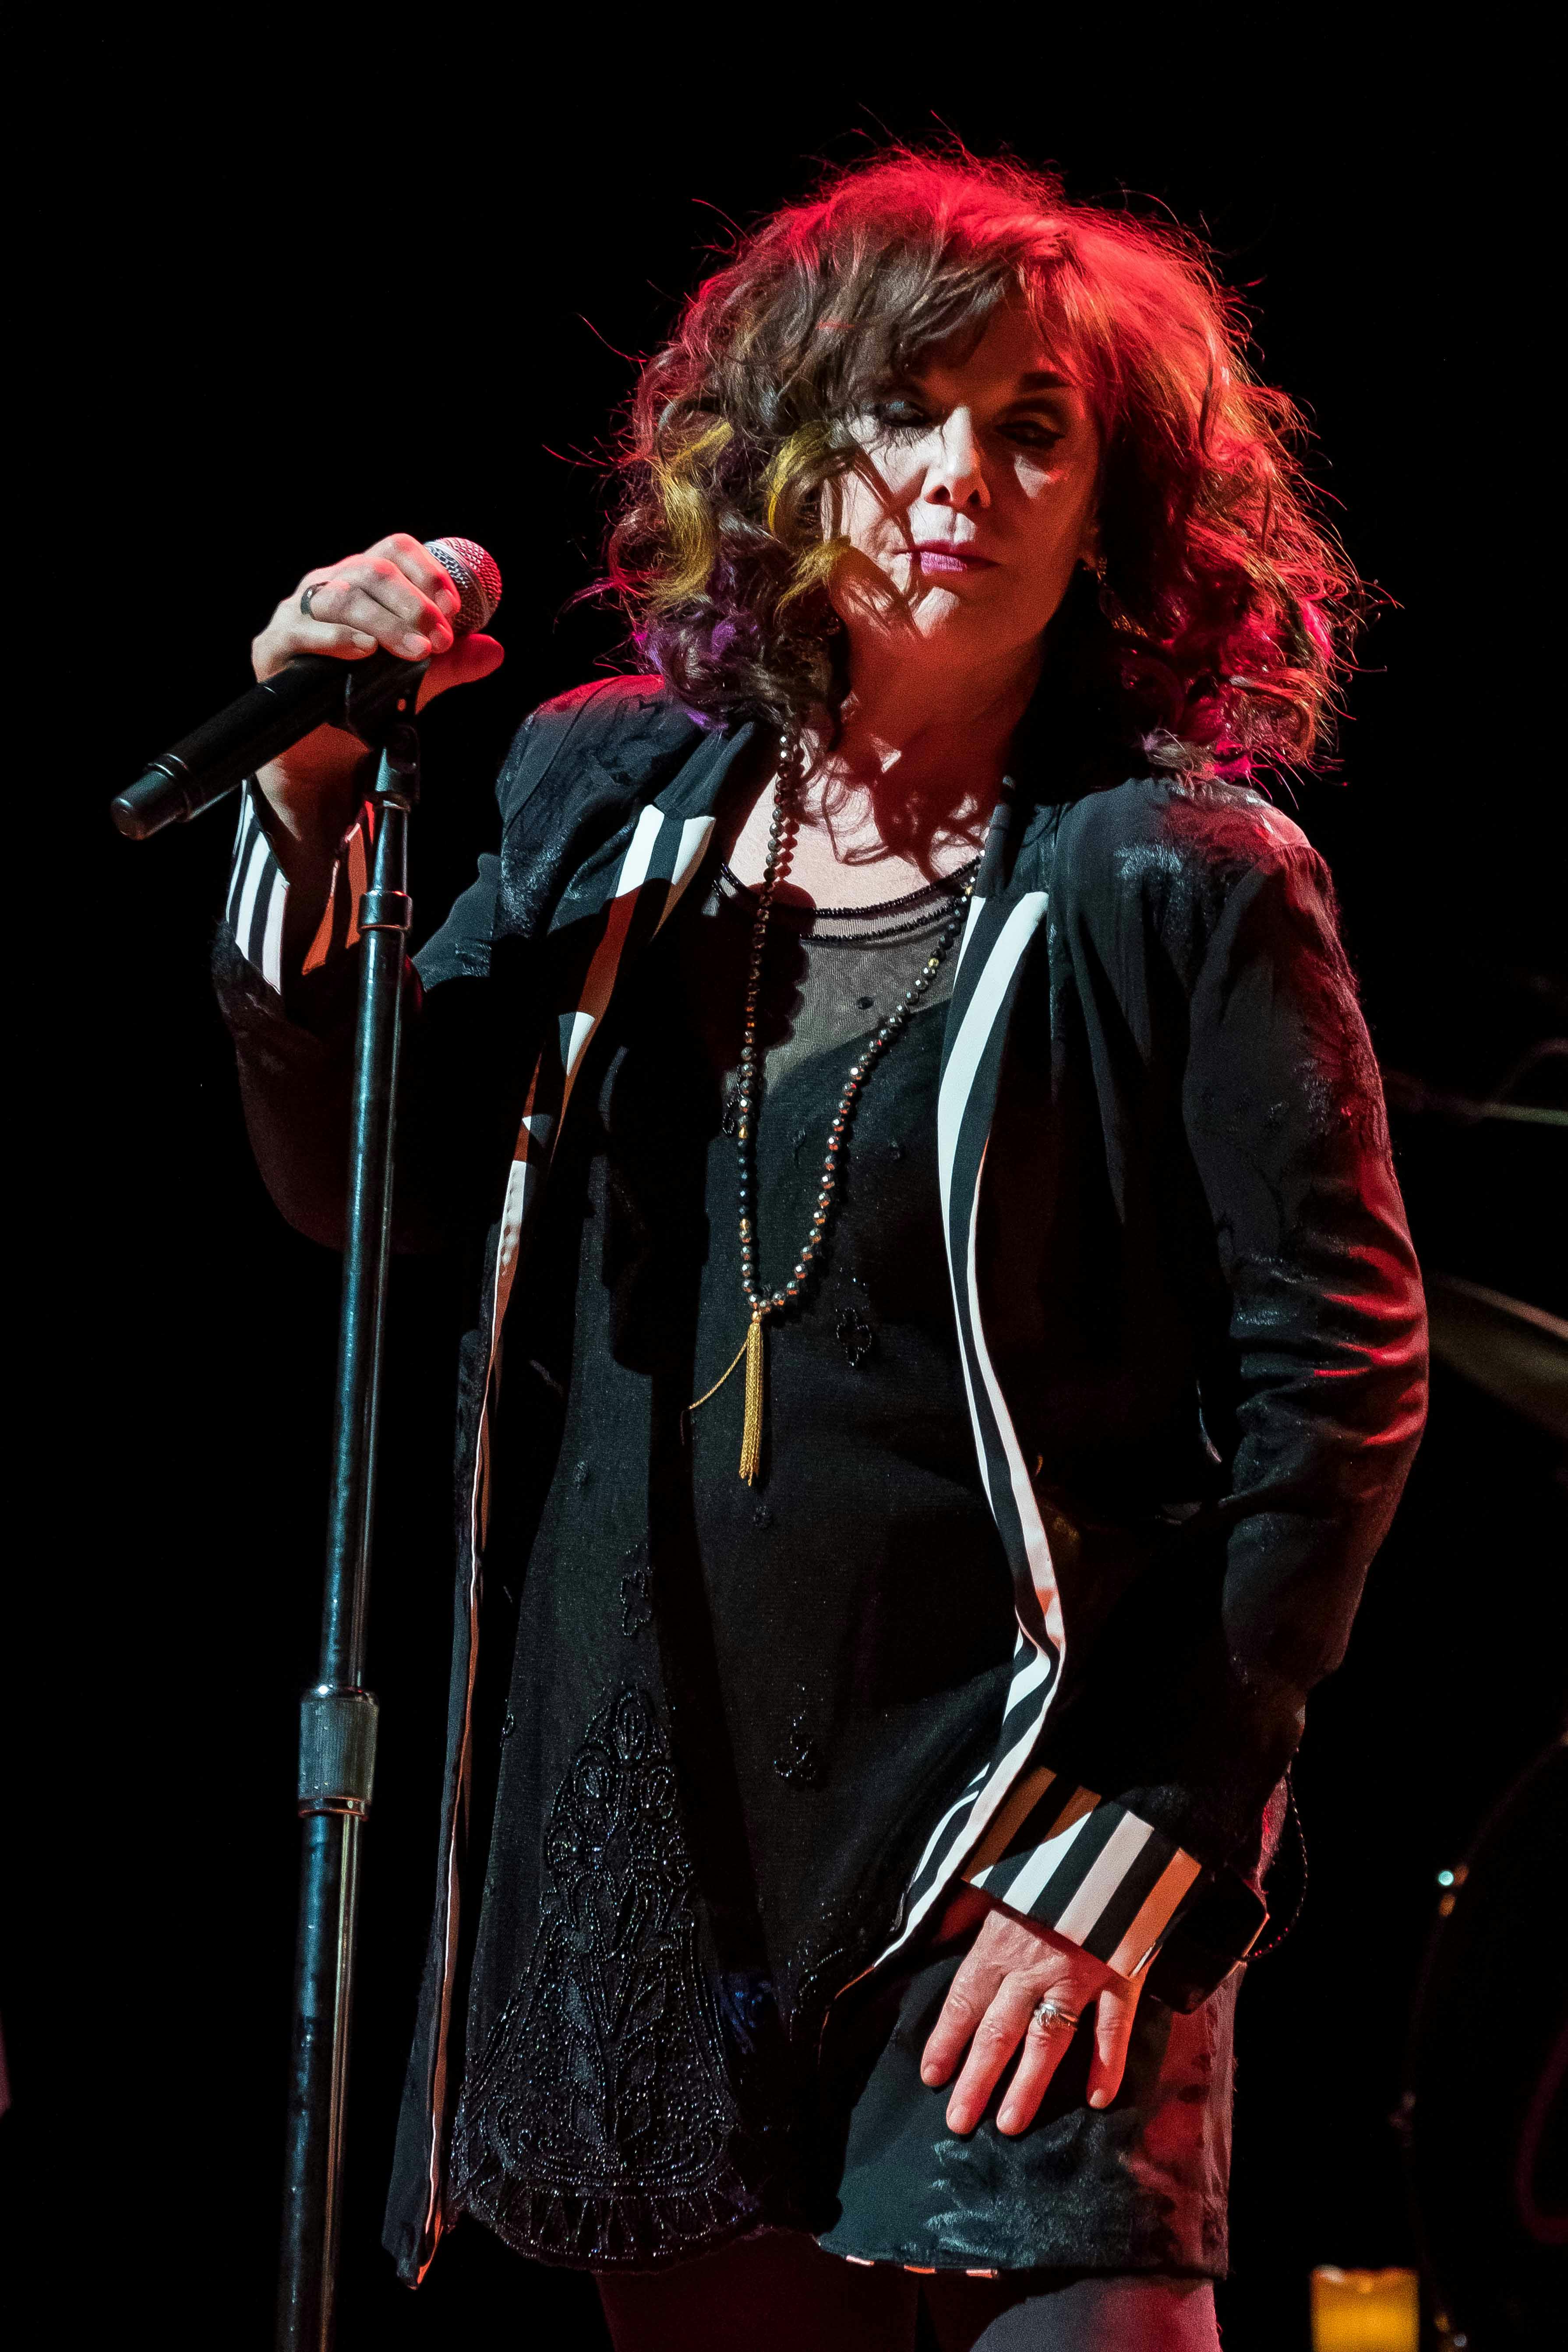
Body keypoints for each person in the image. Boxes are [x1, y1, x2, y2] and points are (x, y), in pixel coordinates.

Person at [217, 151, 1428, 2350]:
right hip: (662, 1843)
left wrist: (1135, 1836)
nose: (959, 476)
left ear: (1113, 505)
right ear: (783, 450)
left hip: (1011, 1848)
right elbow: (359, 1183)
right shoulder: (611, 806)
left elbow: (1335, 1391)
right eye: (901, 408)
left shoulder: (1175, 872)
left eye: (1033, 428)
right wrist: (299, 800)